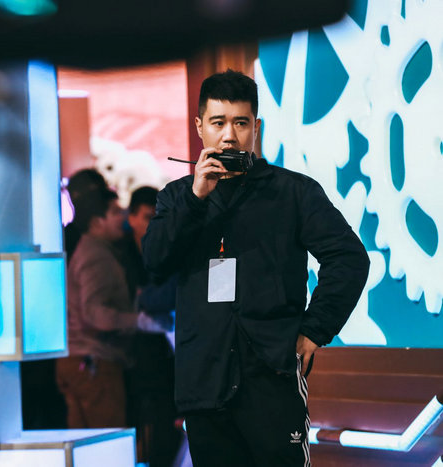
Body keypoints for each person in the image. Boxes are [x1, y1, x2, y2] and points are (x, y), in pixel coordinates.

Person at [141, 69, 370, 466]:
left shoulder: (293, 192)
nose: (229, 135)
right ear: (200, 127)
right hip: (205, 383)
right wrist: (196, 199)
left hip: (271, 379)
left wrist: (314, 331)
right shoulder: (178, 197)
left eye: (240, 123)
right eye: (218, 123)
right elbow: (154, 262)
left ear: (256, 128)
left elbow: (349, 258)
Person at [56, 188, 168, 428]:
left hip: (83, 360)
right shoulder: (96, 255)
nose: (123, 217)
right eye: (116, 212)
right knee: (106, 436)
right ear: (97, 221)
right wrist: (139, 321)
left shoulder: (97, 251)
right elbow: (95, 313)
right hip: (95, 360)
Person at [117, 186, 180, 467]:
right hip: (134, 358)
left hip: (163, 358)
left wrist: (147, 300)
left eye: (157, 217)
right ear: (131, 217)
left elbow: (165, 295)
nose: (152, 223)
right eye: (146, 216)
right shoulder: (122, 254)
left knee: (164, 433)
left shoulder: (167, 250)